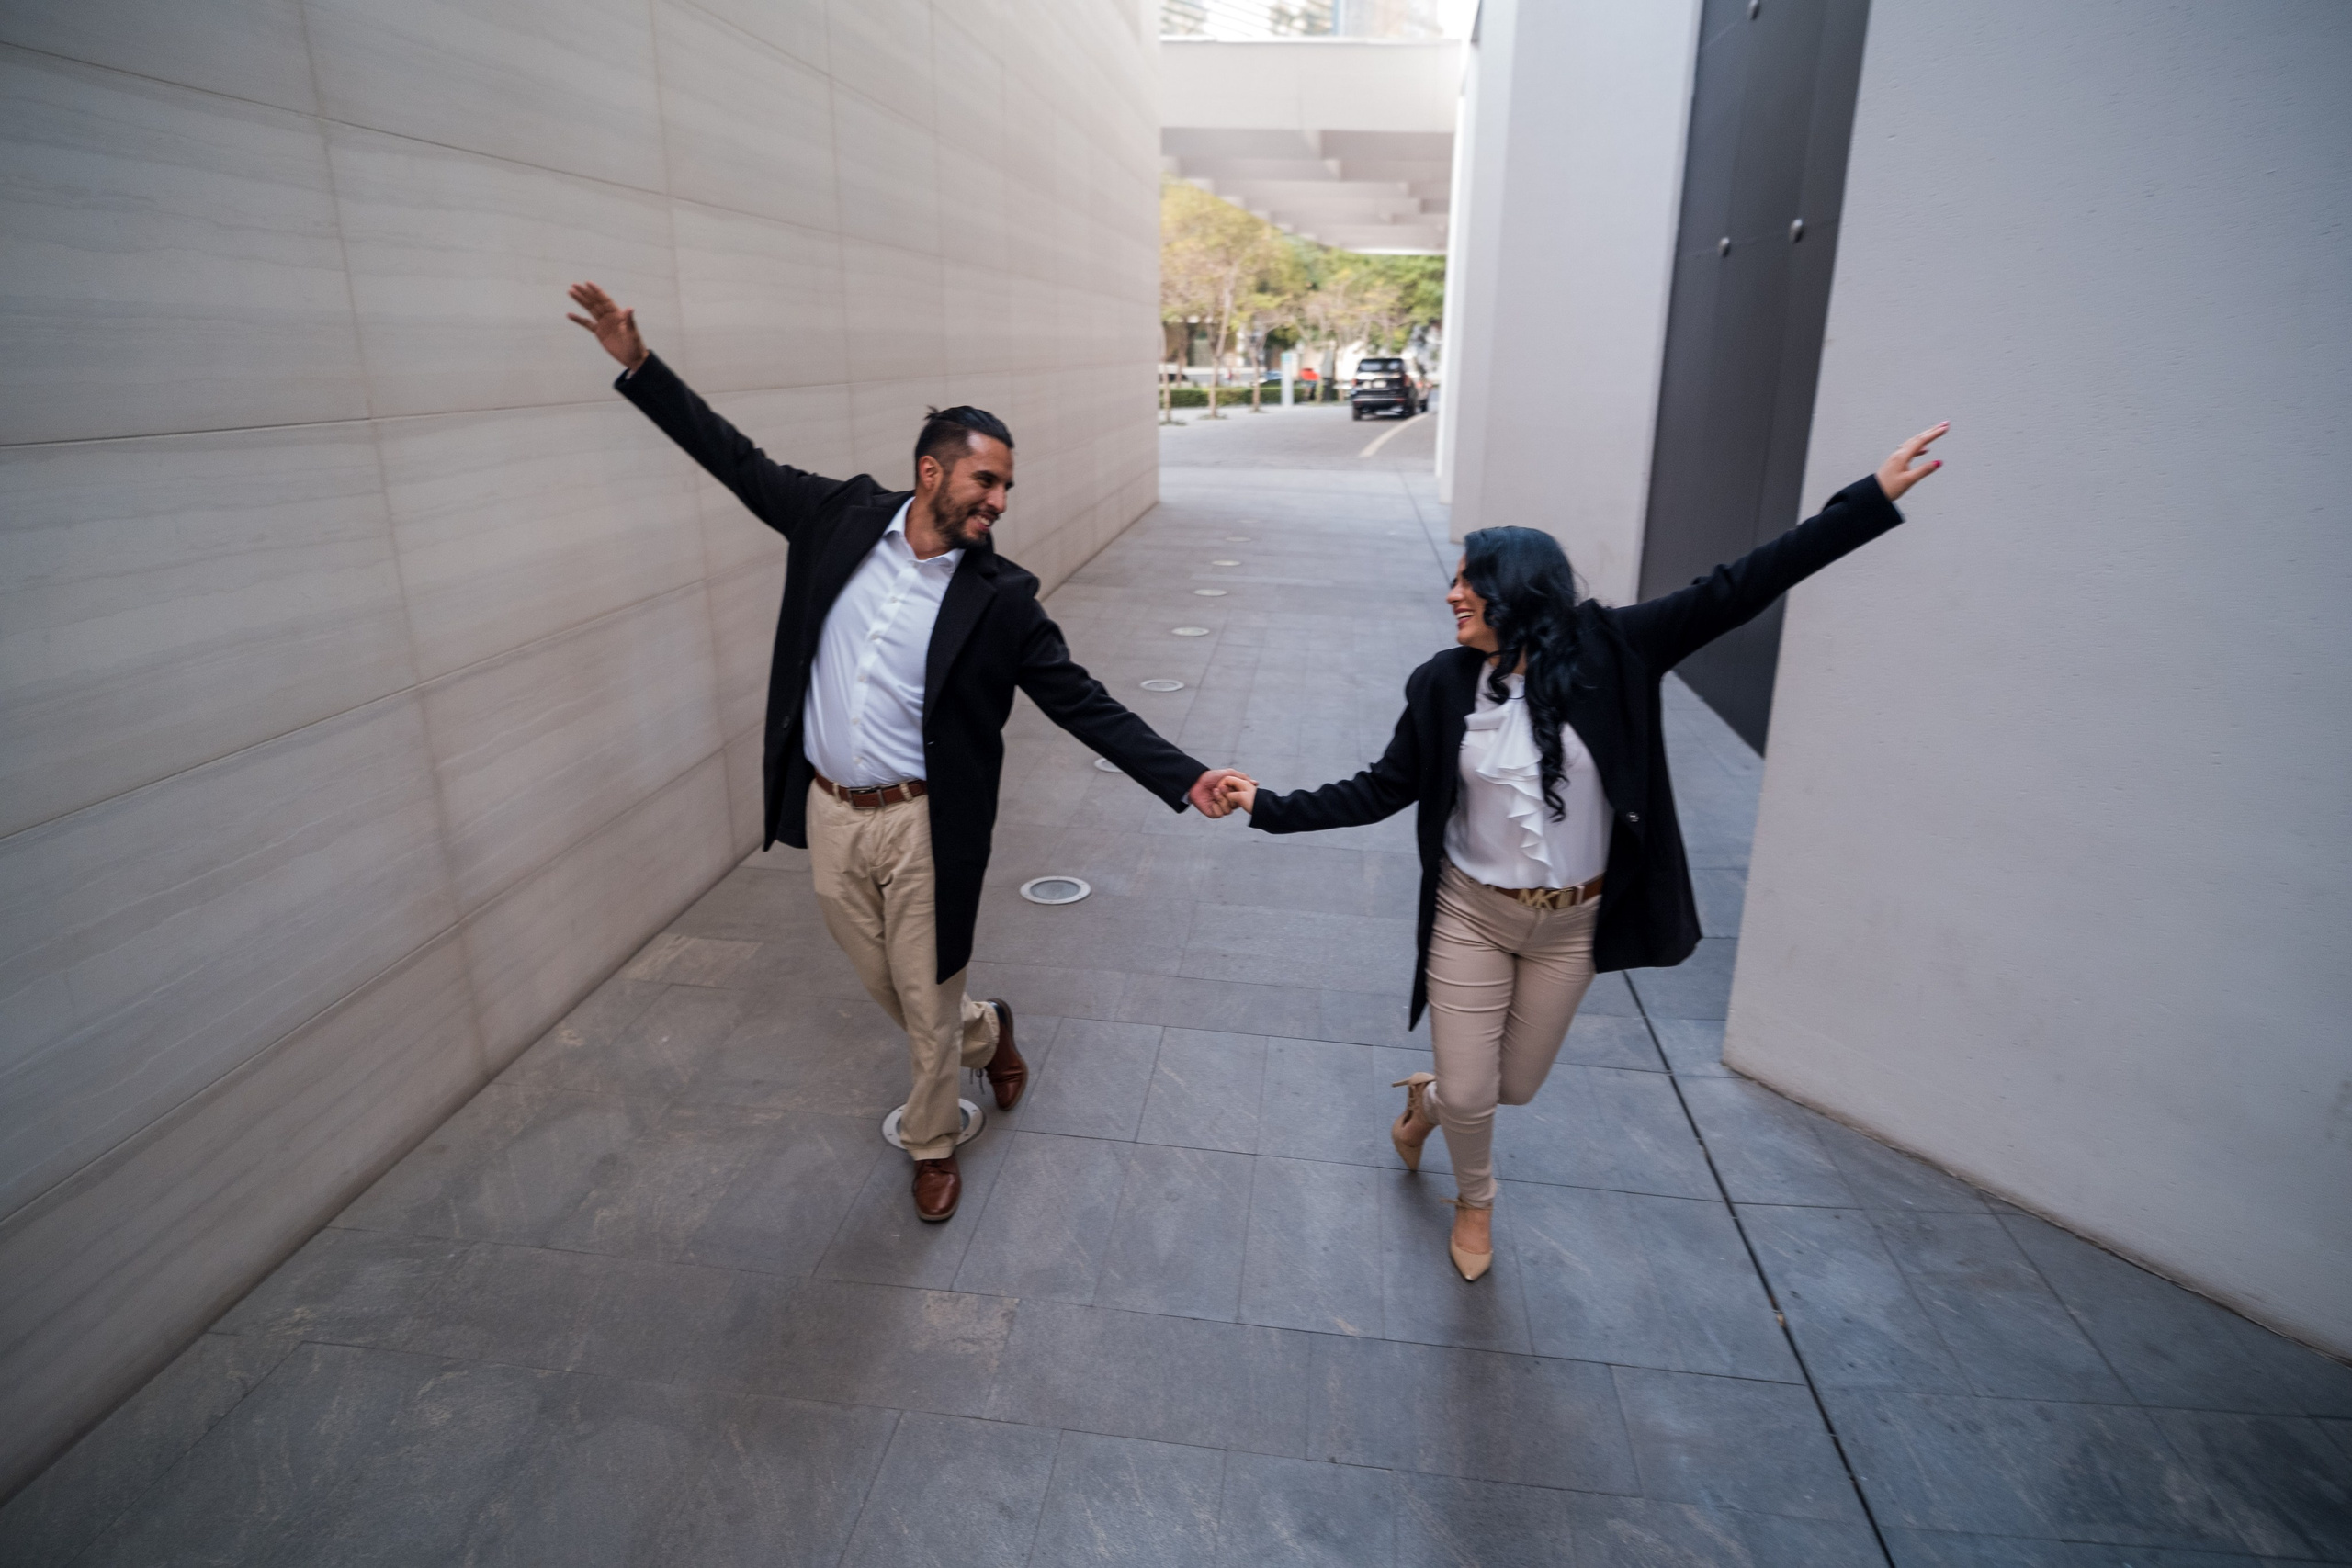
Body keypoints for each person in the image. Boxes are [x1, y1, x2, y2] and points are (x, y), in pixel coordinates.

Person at [567, 282, 1249, 1224]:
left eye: (1006, 487)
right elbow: (734, 458)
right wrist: (639, 366)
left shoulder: (1001, 597)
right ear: (931, 473)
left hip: (926, 822)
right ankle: (988, 1030)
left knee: (921, 1000)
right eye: (986, 482)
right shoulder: (838, 518)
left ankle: (933, 1142)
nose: (999, 502)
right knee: (888, 982)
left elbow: (1080, 700)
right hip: (830, 808)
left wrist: (1185, 776)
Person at [1217, 426, 1948, 1280]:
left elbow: (1744, 584)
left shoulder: (1618, 647)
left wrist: (1869, 498)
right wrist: (1266, 804)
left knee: (1510, 1087)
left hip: (1572, 926)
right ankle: (1477, 1202)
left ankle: (1430, 1101)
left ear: (1512, 590)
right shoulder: (1442, 682)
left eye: (1466, 579)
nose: (1450, 592)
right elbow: (1384, 786)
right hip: (1471, 915)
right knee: (1476, 1094)